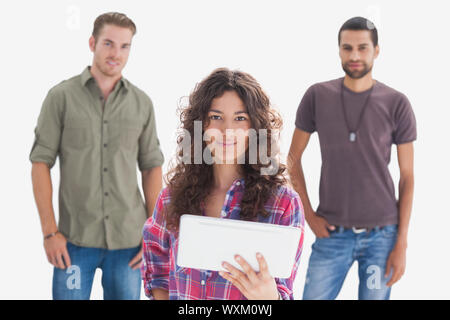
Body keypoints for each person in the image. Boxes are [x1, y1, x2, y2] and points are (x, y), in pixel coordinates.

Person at [30, 12, 164, 300]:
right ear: (92, 43)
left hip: (129, 243)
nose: (116, 53)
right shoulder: (61, 97)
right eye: (108, 43)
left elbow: (152, 167)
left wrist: (153, 234)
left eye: (125, 46)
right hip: (74, 242)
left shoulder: (142, 103)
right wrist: (49, 233)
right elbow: (40, 163)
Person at [141, 68, 305, 300]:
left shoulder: (284, 204)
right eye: (216, 117)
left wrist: (269, 298)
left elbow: (283, 291)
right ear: (201, 126)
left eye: (240, 118)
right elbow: (157, 270)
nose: (227, 131)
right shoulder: (170, 198)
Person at [287, 16, 416, 300]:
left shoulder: (397, 103)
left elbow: (407, 176)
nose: (355, 55)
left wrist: (401, 243)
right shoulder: (317, 96)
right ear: (339, 50)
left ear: (376, 51)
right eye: (347, 48)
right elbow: (293, 159)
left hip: (382, 237)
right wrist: (309, 216)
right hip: (332, 234)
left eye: (362, 48)